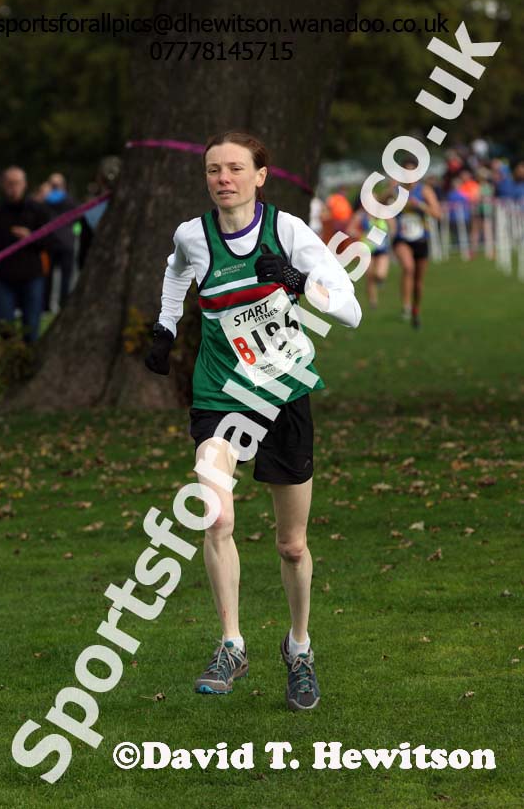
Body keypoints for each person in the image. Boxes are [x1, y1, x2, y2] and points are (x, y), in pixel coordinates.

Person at [145, 131, 362, 711]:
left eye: (236, 168)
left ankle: (299, 647)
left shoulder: (288, 231)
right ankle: (231, 644)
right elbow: (174, 273)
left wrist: (298, 283)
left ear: (260, 175)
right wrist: (167, 327)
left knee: (292, 546)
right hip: (221, 394)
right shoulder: (193, 235)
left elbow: (350, 310)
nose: (223, 178)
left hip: (283, 396)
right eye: (214, 169)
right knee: (214, 514)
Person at [0, 166, 59, 343]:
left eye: (17, 183)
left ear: (25, 184)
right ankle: (7, 360)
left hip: (31, 276)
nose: (13, 188)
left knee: (31, 324)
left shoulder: (38, 211)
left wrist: (31, 238)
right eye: (9, 184)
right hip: (3, 278)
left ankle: (28, 361)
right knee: (4, 325)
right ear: (2, 185)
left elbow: (51, 242)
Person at [391, 162, 441, 329]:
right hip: (401, 238)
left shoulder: (424, 191)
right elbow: (379, 203)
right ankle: (405, 306)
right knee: (408, 267)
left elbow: (438, 214)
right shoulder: (397, 190)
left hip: (421, 238)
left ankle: (415, 309)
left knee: (418, 282)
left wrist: (419, 205)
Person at [42, 172, 77, 312]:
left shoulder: (46, 202)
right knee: (64, 278)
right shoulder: (70, 201)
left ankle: (46, 307)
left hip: (52, 242)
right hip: (65, 242)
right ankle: (63, 306)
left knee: (49, 277)